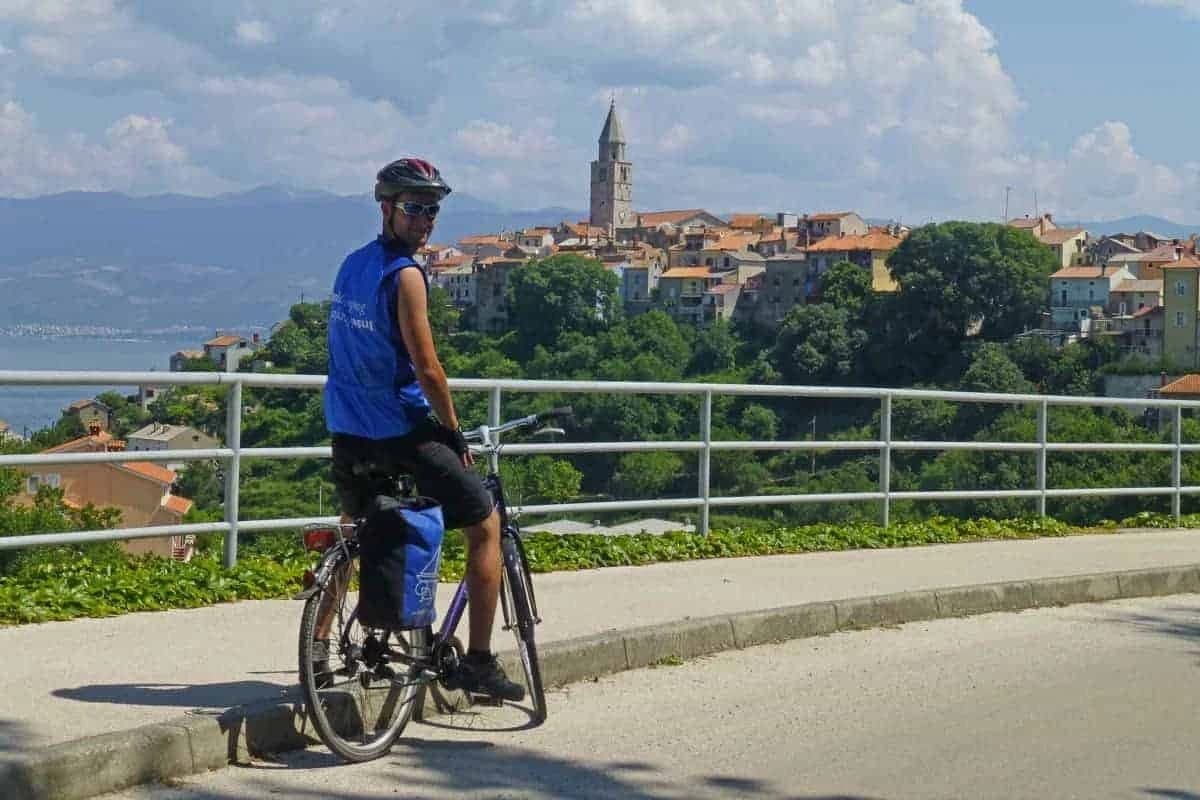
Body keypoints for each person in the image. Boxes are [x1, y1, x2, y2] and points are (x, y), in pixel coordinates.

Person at [322, 157, 523, 702]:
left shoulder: (350, 265)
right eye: (413, 208)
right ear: (386, 208)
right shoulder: (406, 275)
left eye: (432, 211)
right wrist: (454, 434)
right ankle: (480, 662)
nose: (425, 220)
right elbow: (428, 367)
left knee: (355, 526)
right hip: (399, 430)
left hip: (346, 426)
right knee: (485, 525)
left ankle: (318, 650)